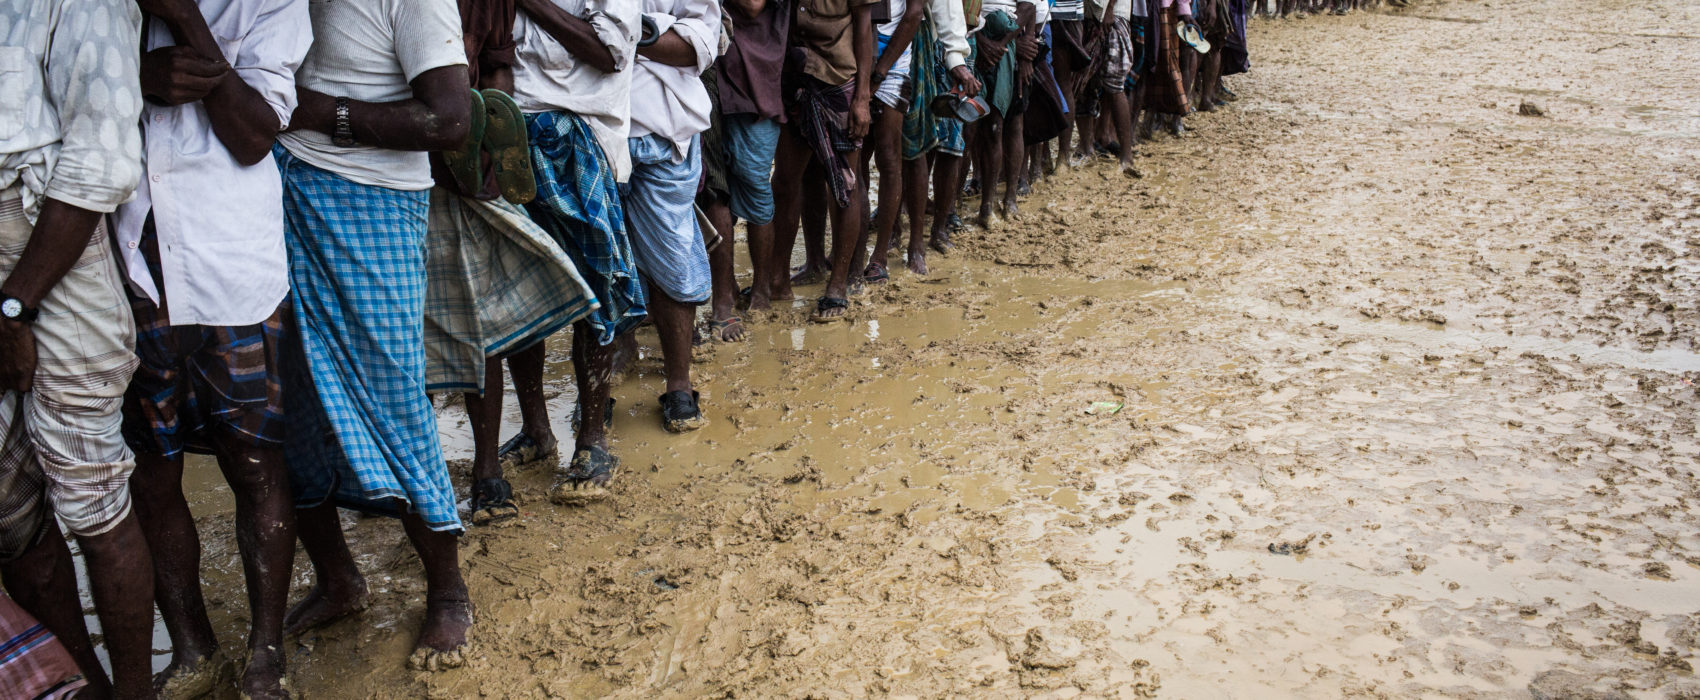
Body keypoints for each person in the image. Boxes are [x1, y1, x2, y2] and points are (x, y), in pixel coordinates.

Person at [271, 0, 477, 671]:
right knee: (288, 400)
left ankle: (447, 590)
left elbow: (451, 119)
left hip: (372, 200)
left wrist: (319, 114)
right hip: (274, 186)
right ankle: (339, 578)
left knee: (394, 394)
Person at [112, 0, 311, 696]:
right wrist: (135, 74)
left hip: (232, 268)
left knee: (254, 462)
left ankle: (265, 651)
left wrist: (187, 20)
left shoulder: (273, 6)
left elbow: (255, 134)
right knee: (153, 472)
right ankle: (193, 647)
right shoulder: (104, 12)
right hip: (132, 271)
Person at [0, 2, 155, 698]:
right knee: (11, 511)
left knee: (91, 490)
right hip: (22, 267)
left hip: (49, 254)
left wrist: (14, 306)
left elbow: (99, 162)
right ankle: (78, 683)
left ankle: (132, 691)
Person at [422, 0, 600, 527]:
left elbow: (498, 62)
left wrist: (492, 137)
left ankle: (486, 466)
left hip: (470, 167)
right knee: (423, 329)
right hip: (398, 161)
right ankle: (422, 469)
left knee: (488, 311)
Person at [510, 0, 647, 498]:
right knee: (516, 295)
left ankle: (592, 439)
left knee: (596, 293)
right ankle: (536, 430)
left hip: (580, 135)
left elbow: (608, 51)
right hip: (510, 131)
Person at [624, 0, 721, 430]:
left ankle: (679, 383)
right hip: (586, 122)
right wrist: (653, 33)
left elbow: (698, 43)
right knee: (597, 260)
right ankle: (602, 389)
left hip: (665, 129)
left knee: (673, 256)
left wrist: (621, 33)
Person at [769, 0, 879, 322]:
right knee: (786, 180)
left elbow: (864, 28)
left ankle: (838, 285)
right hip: (793, 76)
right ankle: (777, 280)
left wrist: (862, 97)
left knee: (844, 184)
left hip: (838, 78)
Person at [898, 0, 978, 274]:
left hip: (932, 47)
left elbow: (947, 7)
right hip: (878, 40)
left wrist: (956, 58)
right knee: (891, 148)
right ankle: (893, 227)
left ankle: (930, 234)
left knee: (940, 143)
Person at [860, 0, 926, 283]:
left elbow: (913, 14)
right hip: (852, 50)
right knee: (855, 157)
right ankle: (854, 250)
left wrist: (879, 71)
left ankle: (879, 256)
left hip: (893, 56)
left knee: (888, 157)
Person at [1073, 0, 1142, 175]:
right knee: (1084, 84)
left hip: (1112, 16)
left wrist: (1110, 9)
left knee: (1115, 84)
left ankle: (1126, 155)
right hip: (1089, 15)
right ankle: (1087, 148)